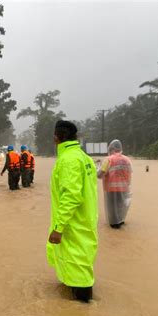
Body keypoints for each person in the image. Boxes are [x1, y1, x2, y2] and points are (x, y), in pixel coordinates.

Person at [47, 120, 98, 303]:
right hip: (85, 221)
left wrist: (58, 227)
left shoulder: (69, 160)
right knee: (81, 264)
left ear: (56, 138)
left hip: (72, 225)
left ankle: (83, 313)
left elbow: (71, 197)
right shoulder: (84, 158)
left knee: (79, 272)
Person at [97, 139, 132, 229]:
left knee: (112, 212)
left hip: (111, 190)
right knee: (121, 208)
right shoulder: (127, 160)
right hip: (124, 189)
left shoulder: (108, 160)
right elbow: (129, 175)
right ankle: (120, 222)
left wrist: (97, 167)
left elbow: (100, 174)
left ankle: (115, 226)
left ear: (111, 149)